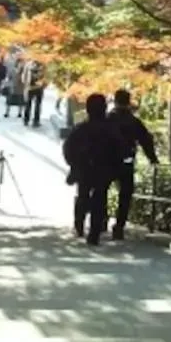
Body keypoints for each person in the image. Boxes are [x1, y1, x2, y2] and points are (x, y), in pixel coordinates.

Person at [62, 93, 123, 246]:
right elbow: (119, 150)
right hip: (104, 169)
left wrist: (74, 165)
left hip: (84, 168)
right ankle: (94, 232)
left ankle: (79, 225)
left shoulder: (81, 129)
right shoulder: (112, 130)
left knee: (82, 194)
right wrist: (116, 168)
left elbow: (68, 149)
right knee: (100, 198)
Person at [108, 89, 159, 241]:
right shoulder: (134, 121)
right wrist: (153, 158)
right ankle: (119, 226)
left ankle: (101, 220)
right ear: (128, 102)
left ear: (115, 101)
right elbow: (146, 140)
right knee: (125, 194)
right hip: (127, 161)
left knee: (101, 190)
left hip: (107, 162)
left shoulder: (107, 119)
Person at [22, 59, 46, 128]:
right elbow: (24, 76)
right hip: (36, 88)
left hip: (33, 87)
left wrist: (25, 84)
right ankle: (34, 121)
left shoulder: (28, 64)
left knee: (30, 104)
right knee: (35, 105)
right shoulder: (42, 65)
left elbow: (24, 76)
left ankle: (27, 120)